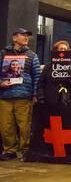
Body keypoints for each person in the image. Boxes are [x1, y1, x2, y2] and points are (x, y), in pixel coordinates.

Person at [0, 28, 41, 161]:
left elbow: (37, 77)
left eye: (27, 36)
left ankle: (25, 150)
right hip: (5, 95)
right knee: (6, 126)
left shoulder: (32, 55)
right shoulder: (3, 54)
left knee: (24, 126)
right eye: (22, 35)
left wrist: (35, 94)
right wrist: (1, 83)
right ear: (14, 38)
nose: (26, 38)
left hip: (24, 96)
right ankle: (9, 150)